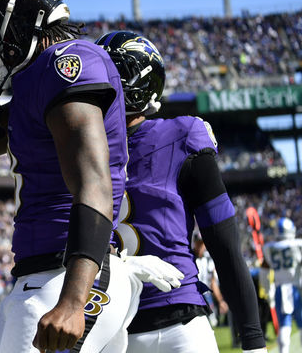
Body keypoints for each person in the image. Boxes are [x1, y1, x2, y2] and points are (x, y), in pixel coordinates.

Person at [0, 0, 183, 353]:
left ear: (20, 19)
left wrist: (72, 300)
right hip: (46, 274)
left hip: (65, 275)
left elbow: (93, 183)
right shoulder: (36, 84)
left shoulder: (65, 63)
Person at [96, 30, 267, 353]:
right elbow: (226, 246)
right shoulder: (181, 134)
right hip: (156, 326)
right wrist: (253, 340)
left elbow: (224, 243)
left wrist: (254, 339)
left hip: (128, 326)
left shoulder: (77, 149)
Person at [262, 217, 302, 353]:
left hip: (280, 291)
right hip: (297, 289)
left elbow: (263, 272)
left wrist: (268, 291)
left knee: (284, 328)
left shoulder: (270, 248)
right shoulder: (298, 244)